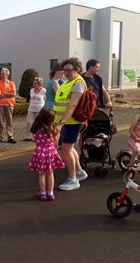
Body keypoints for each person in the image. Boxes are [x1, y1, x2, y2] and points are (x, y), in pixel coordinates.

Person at [54, 57, 89, 191]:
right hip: (66, 122)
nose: (66, 72)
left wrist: (61, 123)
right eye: (64, 70)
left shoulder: (78, 83)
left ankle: (73, 179)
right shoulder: (67, 82)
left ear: (77, 69)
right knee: (69, 148)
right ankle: (79, 172)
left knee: (66, 149)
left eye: (69, 70)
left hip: (71, 122)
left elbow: (73, 105)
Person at [28, 108, 65, 201]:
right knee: (50, 173)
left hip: (40, 152)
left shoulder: (35, 127)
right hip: (50, 152)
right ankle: (50, 193)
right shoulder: (52, 129)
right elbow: (55, 141)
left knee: (41, 174)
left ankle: (43, 194)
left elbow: (35, 138)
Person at [0, 67, 17, 144]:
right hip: (0, 104)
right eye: (1, 73)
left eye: (3, 73)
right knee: (0, 122)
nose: (1, 75)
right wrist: (9, 94)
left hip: (10, 104)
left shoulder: (12, 83)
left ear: (7, 74)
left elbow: (14, 94)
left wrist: (3, 93)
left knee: (9, 121)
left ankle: (10, 137)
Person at [24, 77, 46, 141]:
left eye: (35, 83)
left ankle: (38, 136)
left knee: (38, 123)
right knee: (29, 122)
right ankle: (29, 136)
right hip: (31, 108)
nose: (34, 85)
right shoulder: (31, 90)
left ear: (39, 84)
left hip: (40, 109)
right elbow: (31, 99)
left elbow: (46, 99)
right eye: (33, 83)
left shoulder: (44, 91)